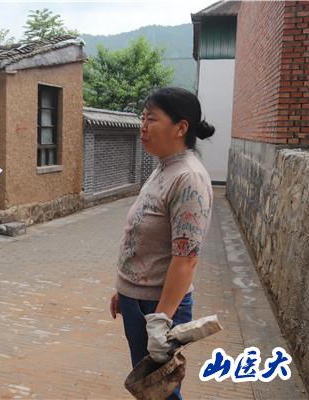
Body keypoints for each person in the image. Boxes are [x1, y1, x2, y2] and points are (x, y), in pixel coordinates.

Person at [109, 87, 215, 399]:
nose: (143, 126)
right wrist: (125, 289)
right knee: (149, 391)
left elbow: (186, 258)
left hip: (158, 307)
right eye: (142, 118)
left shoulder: (188, 178)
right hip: (138, 302)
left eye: (151, 119)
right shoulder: (164, 167)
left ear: (181, 127)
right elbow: (146, 239)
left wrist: (161, 320)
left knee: (161, 393)